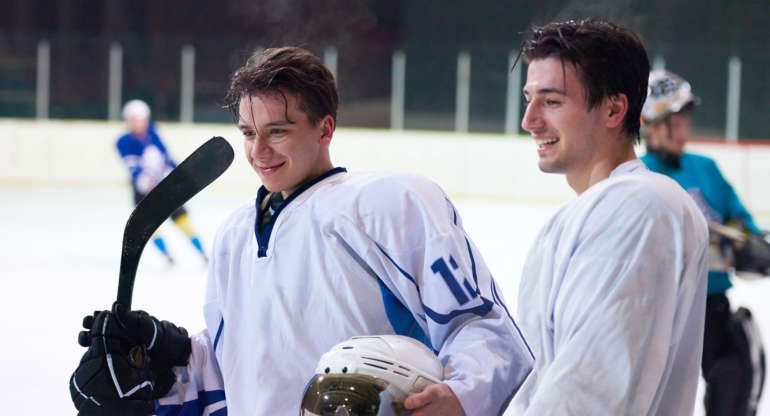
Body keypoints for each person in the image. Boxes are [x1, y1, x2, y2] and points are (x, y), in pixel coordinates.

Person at [70, 47, 533, 415]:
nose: (259, 151)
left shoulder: (389, 205)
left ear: (325, 128)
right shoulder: (234, 236)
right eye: (249, 133)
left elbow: (485, 328)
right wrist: (163, 367)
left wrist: (461, 397)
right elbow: (239, 378)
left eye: (278, 131)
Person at [508, 19, 710, 415]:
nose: (529, 121)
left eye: (551, 101)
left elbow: (586, 390)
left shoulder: (637, 207)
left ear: (614, 108)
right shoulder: (589, 213)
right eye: (529, 99)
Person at [640, 69, 766, 416]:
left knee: (737, 372)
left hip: (711, 306)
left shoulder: (706, 168)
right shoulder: (639, 175)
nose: (683, 130)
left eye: (685, 121)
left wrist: (749, 243)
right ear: (651, 123)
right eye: (674, 122)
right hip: (660, 313)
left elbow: (740, 221)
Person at [116, 99, 208, 264]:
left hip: (165, 187)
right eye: (135, 120)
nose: (139, 123)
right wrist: (141, 178)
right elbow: (131, 165)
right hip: (143, 192)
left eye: (142, 119)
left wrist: (182, 171)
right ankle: (168, 256)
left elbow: (166, 156)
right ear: (129, 121)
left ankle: (203, 253)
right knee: (149, 227)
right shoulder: (123, 141)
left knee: (182, 220)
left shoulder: (153, 132)